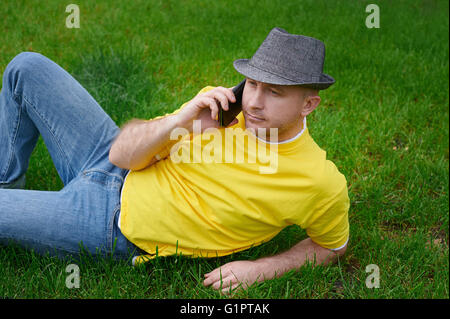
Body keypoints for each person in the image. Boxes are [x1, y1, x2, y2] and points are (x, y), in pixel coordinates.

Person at [0, 27, 349, 293]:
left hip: (114, 223)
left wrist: (262, 268)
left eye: (274, 92)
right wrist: (181, 120)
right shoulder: (218, 108)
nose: (254, 102)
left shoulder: (318, 182)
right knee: (26, 68)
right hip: (112, 163)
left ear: (308, 105)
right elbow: (121, 153)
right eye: (252, 84)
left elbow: (332, 245)